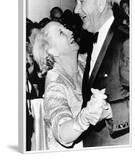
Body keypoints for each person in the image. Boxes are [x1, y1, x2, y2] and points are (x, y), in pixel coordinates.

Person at [32, 21, 112, 150]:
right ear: (52, 50)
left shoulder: (84, 63)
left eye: (66, 28)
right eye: (61, 33)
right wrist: (84, 118)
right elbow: (62, 132)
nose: (70, 32)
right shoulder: (55, 85)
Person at [74, 0, 129, 147]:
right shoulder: (93, 39)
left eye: (81, 1)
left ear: (101, 3)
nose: (76, 10)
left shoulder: (127, 40)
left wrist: (109, 112)